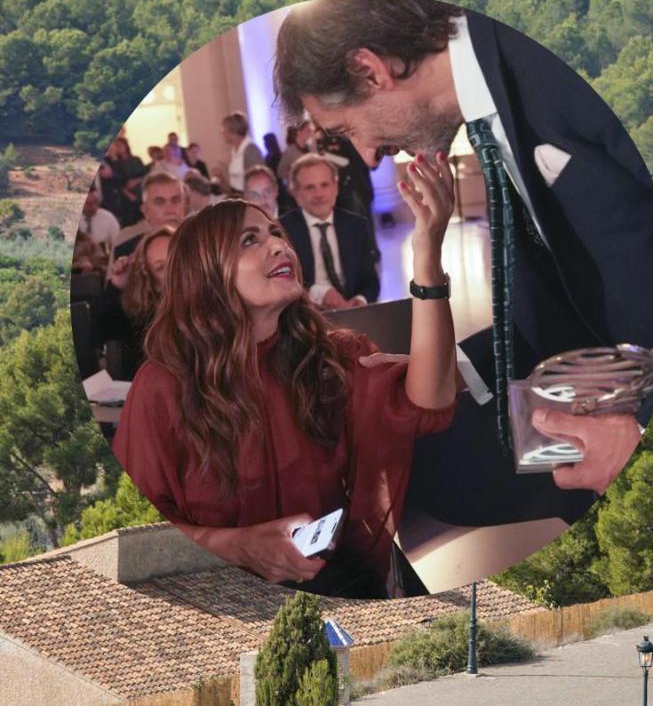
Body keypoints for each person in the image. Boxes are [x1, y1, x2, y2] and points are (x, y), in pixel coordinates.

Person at [274, 0, 653, 530]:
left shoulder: (557, 66)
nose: (367, 156)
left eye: (347, 130)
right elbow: (562, 289)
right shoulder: (494, 107)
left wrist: (641, 437)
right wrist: (443, 366)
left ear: (368, 70)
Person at [113, 152, 460, 598]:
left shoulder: (329, 355)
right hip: (215, 597)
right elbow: (133, 532)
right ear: (206, 275)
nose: (279, 245)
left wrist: (427, 254)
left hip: (328, 582)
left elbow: (429, 404)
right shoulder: (163, 385)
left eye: (275, 232)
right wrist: (239, 546)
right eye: (249, 240)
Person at [281, 153, 380, 307]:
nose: (319, 194)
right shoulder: (283, 230)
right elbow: (283, 283)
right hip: (306, 311)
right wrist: (319, 294)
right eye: (310, 187)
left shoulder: (356, 225)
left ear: (336, 187)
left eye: (325, 185)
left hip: (351, 310)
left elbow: (371, 281)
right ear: (296, 194)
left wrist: (360, 300)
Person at [94, 225, 172, 381]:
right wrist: (117, 287)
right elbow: (98, 335)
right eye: (161, 267)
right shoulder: (145, 319)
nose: (173, 269)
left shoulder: (215, 305)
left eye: (176, 257)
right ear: (155, 284)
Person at [113, 172, 185, 258]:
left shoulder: (199, 238)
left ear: (185, 205)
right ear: (145, 210)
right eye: (160, 202)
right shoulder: (125, 245)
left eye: (176, 201)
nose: (170, 210)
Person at [101, 137, 146, 225]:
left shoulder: (136, 159)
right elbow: (116, 180)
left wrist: (136, 181)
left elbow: (145, 174)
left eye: (119, 145)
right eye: (115, 146)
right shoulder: (113, 161)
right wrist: (127, 193)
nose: (117, 148)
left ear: (126, 146)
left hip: (140, 192)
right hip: (124, 196)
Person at [220, 112, 263, 192]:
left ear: (233, 132)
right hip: (237, 194)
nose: (222, 133)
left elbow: (255, 181)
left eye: (224, 130)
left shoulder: (250, 150)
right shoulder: (234, 150)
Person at [76, 187, 121, 255]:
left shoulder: (108, 218)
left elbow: (118, 243)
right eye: (89, 204)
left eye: (96, 202)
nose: (94, 207)